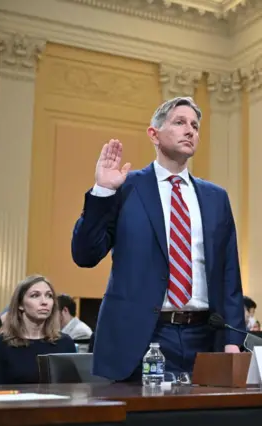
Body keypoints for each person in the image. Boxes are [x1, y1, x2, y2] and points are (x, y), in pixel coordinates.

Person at [71, 96, 245, 382]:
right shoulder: (126, 187)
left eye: (195, 126)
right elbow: (85, 255)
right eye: (179, 122)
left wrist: (232, 340)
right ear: (154, 134)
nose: (190, 130)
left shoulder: (216, 198)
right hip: (140, 338)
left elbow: (229, 276)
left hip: (203, 338)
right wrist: (102, 191)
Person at [0, 275, 76, 384]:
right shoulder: (0, 345)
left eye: (49, 296)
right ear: (20, 304)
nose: (44, 302)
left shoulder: (65, 342)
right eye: (35, 296)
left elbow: (72, 389)